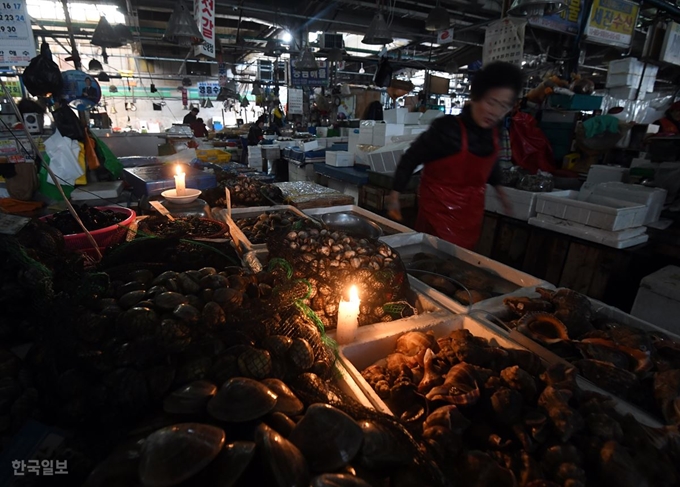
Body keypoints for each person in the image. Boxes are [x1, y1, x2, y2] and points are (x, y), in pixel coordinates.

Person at [387, 61, 523, 250]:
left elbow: (490, 165)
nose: (495, 112)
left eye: (503, 106)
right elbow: (412, 157)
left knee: (461, 263)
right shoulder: (447, 129)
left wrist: (501, 193)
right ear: (476, 96)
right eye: (491, 102)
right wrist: (395, 194)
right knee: (431, 263)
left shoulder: (494, 132)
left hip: (471, 215)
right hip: (437, 212)